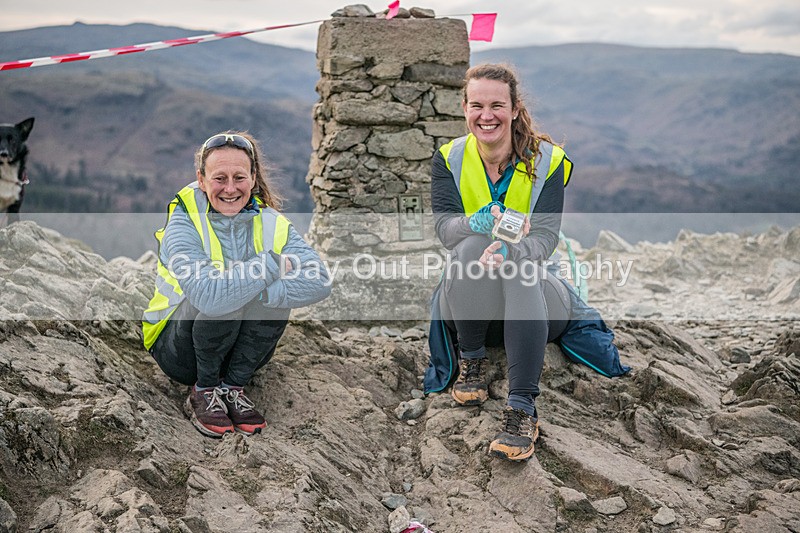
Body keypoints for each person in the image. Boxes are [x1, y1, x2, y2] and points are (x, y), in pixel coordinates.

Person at [428, 63, 575, 461]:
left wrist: (514, 250)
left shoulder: (549, 161)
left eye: (496, 105)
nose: (486, 115)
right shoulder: (449, 158)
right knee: (469, 248)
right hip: (472, 307)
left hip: (536, 300)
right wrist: (474, 223)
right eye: (477, 105)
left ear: (514, 108)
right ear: (464, 108)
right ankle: (471, 361)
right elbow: (445, 229)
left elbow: (545, 238)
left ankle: (522, 407)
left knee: (519, 267)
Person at [142, 131, 331, 438]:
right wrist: (271, 265)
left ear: (253, 178)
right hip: (179, 349)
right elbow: (209, 298)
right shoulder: (184, 220)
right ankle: (203, 391)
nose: (230, 188)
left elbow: (320, 280)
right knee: (223, 295)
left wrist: (262, 288)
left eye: (239, 177)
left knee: (270, 297)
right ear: (201, 180)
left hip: (237, 351)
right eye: (220, 178)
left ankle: (232, 388)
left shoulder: (270, 222)